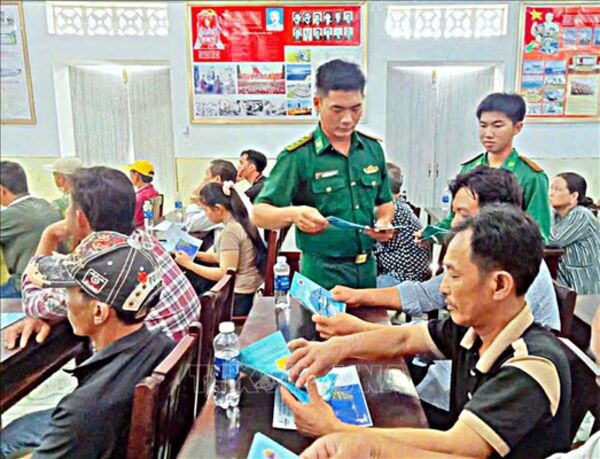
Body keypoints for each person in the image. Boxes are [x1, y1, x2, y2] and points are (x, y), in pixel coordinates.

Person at [283, 205, 571, 458]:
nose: (443, 287)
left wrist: (337, 430)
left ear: (499, 285)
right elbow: (406, 337)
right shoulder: (477, 327)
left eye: (454, 276)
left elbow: (459, 447)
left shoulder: (529, 365)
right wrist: (336, 348)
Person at [321, 166, 560, 420]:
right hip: (456, 379)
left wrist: (333, 432)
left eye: (463, 214)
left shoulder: (512, 288)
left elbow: (461, 440)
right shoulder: (472, 304)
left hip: (468, 394)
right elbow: (423, 309)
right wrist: (356, 308)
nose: (454, 223)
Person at [0, 231, 175, 459]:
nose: (65, 303)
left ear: (99, 312)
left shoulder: (84, 409)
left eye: (67, 292)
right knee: (17, 430)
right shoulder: (164, 346)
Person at [6, 166, 200, 349]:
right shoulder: (144, 240)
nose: (66, 215)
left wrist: (49, 236)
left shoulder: (93, 268)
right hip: (177, 357)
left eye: (69, 208)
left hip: (137, 364)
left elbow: (32, 303)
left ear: (81, 219)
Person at [253, 59, 394, 290]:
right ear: (317, 103)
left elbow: (384, 201)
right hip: (321, 274)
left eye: (356, 109)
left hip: (367, 270)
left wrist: (384, 221)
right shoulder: (298, 156)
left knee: (370, 316)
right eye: (337, 109)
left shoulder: (372, 150)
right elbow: (259, 213)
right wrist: (294, 213)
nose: (347, 119)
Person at [419, 93, 551, 244]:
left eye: (497, 126)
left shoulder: (530, 176)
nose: (488, 134)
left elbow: (538, 236)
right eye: (483, 125)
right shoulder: (469, 169)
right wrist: (432, 233)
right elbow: (454, 220)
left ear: (517, 127)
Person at [174, 182, 266, 316]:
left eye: (205, 210)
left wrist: (189, 264)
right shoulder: (241, 221)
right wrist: (196, 255)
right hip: (249, 289)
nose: (206, 215)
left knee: (191, 295)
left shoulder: (230, 231)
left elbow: (224, 274)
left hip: (239, 298)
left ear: (218, 209)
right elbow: (224, 257)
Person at [0, 161, 61, 298]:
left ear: (1, 190)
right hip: (55, 282)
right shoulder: (47, 205)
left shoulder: (9, 216)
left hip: (26, 286)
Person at [374, 162, 430, 285]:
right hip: (408, 275)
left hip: (402, 278)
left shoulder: (391, 210)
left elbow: (370, 245)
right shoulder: (399, 204)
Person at [549, 172, 600, 294]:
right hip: (566, 282)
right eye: (551, 188)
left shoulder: (581, 215)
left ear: (573, 196)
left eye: (557, 189)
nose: (551, 193)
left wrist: (545, 211)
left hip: (585, 286)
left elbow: (553, 241)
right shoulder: (556, 216)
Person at [185, 159, 238, 233]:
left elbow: (190, 225)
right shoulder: (233, 197)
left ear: (217, 179)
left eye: (207, 174)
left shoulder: (220, 205)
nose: (204, 179)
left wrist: (194, 199)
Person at [125, 159, 160, 229]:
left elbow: (133, 222)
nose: (130, 177)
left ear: (136, 175)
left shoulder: (139, 197)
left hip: (139, 231)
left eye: (131, 174)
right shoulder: (154, 192)